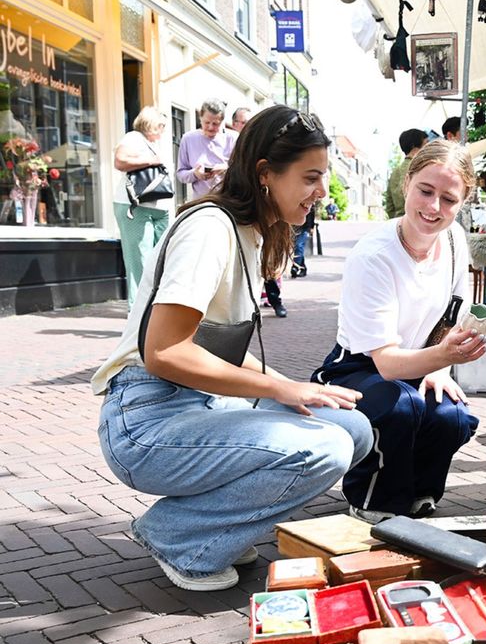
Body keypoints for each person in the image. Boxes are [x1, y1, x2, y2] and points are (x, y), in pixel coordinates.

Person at [91, 105, 373, 591]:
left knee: (352, 428)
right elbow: (165, 354)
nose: (322, 193)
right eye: (310, 178)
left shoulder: (248, 231)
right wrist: (279, 389)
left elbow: (213, 345)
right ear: (266, 173)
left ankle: (217, 523)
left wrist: (288, 388)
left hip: (195, 402)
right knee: (325, 446)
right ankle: (182, 537)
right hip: (145, 420)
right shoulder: (210, 229)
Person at [312, 140, 486, 524]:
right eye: (426, 191)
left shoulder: (455, 240)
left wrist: (440, 369)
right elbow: (387, 365)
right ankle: (371, 499)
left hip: (422, 359)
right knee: (402, 404)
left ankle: (421, 492)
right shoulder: (374, 255)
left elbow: (452, 313)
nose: (434, 208)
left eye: (449, 199)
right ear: (407, 183)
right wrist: (445, 357)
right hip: (358, 367)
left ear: (463, 202)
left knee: (451, 415)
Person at [112, 106, 171, 308]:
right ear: (150, 124)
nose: (163, 130)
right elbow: (120, 161)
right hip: (135, 207)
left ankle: (154, 313)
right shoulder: (133, 138)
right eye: (160, 126)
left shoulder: (155, 143)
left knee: (161, 261)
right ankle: (137, 316)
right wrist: (150, 161)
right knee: (139, 262)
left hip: (160, 209)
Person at [176, 99, 238, 199]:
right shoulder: (188, 139)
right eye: (207, 122)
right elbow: (180, 174)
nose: (210, 127)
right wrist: (195, 174)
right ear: (200, 118)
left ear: (222, 122)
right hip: (200, 202)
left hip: (228, 200)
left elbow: (243, 170)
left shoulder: (232, 139)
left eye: (215, 124)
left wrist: (226, 169)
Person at [385, 128, 427, 219]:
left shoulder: (395, 172)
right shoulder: (421, 169)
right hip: (416, 223)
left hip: (398, 222)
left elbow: (389, 205)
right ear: (414, 146)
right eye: (426, 144)